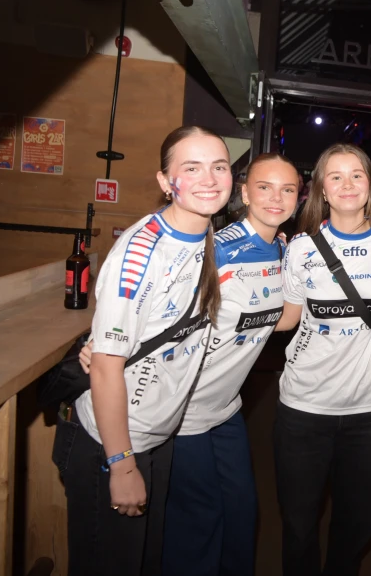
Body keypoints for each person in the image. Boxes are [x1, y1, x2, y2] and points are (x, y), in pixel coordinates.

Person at [52, 125, 232, 575]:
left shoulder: (205, 234)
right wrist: (122, 466)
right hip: (111, 442)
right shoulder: (141, 253)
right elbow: (105, 367)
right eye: (192, 168)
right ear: (165, 181)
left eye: (220, 167)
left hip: (155, 436)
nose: (210, 179)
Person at [161, 153, 300, 575]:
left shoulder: (283, 250)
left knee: (242, 513)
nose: (276, 198)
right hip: (182, 410)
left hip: (225, 409)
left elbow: (281, 319)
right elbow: (157, 311)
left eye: (288, 189)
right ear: (244, 194)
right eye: (264, 187)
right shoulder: (217, 250)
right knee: (199, 524)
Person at [274, 144, 371, 576]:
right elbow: (286, 319)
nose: (347, 184)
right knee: (299, 523)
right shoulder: (301, 249)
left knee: (359, 523)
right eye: (335, 176)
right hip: (304, 407)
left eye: (357, 175)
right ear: (321, 189)